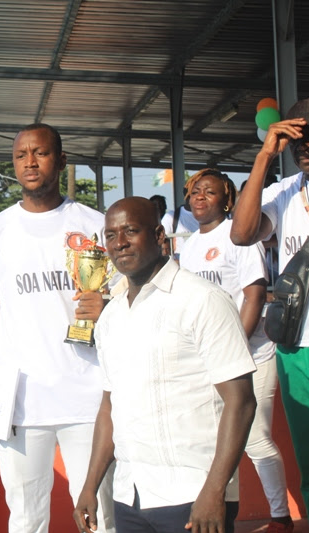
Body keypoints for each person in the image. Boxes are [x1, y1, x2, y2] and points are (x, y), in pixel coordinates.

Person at [0, 123, 114, 533]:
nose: (30, 162)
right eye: (21, 155)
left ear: (61, 161)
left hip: (90, 397)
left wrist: (108, 306)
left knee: (99, 517)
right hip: (20, 401)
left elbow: (126, 302)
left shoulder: (97, 226)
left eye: (40, 153)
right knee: (26, 518)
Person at [73, 196, 256, 533]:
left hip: (194, 495)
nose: (120, 243)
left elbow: (241, 401)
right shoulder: (111, 316)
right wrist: (90, 486)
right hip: (130, 496)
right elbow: (110, 406)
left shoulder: (203, 299)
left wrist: (214, 491)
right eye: (111, 235)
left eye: (131, 231)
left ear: (159, 235)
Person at [231, 96, 309, 530]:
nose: (305, 145)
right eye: (296, 138)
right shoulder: (282, 192)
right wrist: (265, 155)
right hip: (297, 348)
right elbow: (241, 233)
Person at [180, 169, 293, 532]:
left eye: (209, 192)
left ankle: (280, 516)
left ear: (227, 201)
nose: (199, 197)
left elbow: (255, 296)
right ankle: (217, 514)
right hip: (209, 360)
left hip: (251, 356)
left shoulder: (239, 238)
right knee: (214, 442)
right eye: (195, 191)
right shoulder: (189, 246)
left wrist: (234, 348)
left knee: (255, 439)